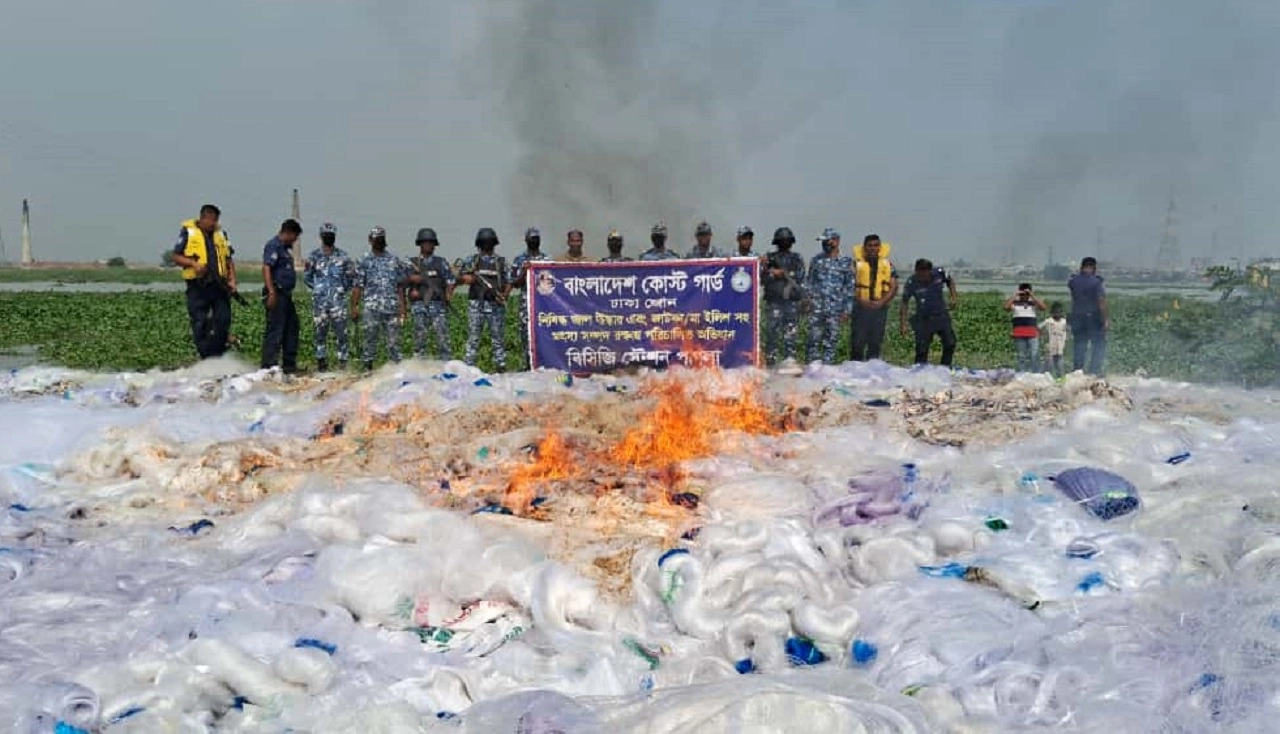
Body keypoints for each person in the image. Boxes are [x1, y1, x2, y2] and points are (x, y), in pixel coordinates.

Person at [171, 204, 238, 359]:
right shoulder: (188, 232)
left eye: (216, 220)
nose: (214, 224)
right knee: (200, 322)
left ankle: (218, 354)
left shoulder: (221, 234)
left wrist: (233, 280)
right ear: (203, 218)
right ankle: (206, 357)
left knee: (223, 320)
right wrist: (193, 264)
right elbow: (176, 256)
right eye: (212, 220)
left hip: (219, 285)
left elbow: (228, 259)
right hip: (198, 285)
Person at [352, 226, 407, 370]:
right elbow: (358, 285)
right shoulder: (363, 260)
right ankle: (367, 368)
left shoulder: (393, 260)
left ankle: (398, 370)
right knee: (370, 339)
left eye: (381, 239)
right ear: (370, 240)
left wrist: (402, 308)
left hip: (391, 307)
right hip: (372, 308)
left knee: (394, 342)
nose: (379, 242)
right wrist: (355, 306)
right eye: (376, 239)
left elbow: (400, 286)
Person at [303, 223, 355, 371]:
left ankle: (343, 362)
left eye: (331, 235)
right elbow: (307, 277)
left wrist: (340, 290)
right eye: (326, 235)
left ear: (335, 236)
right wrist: (319, 289)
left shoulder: (343, 257)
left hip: (338, 302)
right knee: (320, 332)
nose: (328, 237)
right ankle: (321, 361)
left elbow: (350, 279)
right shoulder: (313, 256)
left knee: (342, 333)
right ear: (321, 237)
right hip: (320, 302)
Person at [457, 227, 510, 370]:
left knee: (498, 339)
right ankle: (469, 368)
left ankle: (500, 367)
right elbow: (459, 277)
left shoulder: (501, 261)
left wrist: (504, 296)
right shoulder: (472, 260)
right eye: (484, 242)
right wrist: (468, 278)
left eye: (490, 242)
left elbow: (509, 282)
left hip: (495, 305)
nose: (487, 245)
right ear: (479, 244)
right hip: (476, 304)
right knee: (473, 338)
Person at [405, 228, 456, 361]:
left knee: (442, 339)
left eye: (431, 243)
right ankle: (419, 366)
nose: (428, 245)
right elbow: (402, 283)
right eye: (425, 242)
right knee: (419, 340)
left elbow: (450, 281)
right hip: (419, 305)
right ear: (420, 244)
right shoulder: (412, 263)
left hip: (438, 305)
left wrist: (449, 294)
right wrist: (412, 282)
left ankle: (446, 366)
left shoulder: (441, 262)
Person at [260, 219, 303, 373]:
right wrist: (271, 292)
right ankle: (269, 365)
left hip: (285, 295)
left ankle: (289, 364)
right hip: (276, 293)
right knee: (275, 329)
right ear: (288, 233)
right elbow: (266, 268)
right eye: (295, 236)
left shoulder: (286, 249)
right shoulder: (274, 245)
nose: (295, 240)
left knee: (291, 328)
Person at [806, 228, 853, 364]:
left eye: (828, 241)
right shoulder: (816, 260)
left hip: (835, 309)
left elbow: (849, 287)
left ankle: (826, 371)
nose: (825, 244)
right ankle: (811, 370)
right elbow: (810, 282)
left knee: (830, 341)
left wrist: (847, 310)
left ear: (836, 241)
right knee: (813, 340)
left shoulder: (846, 261)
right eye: (823, 242)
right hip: (817, 308)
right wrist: (807, 300)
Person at [900, 258, 958, 367]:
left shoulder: (939, 273)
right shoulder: (911, 282)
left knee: (950, 343)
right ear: (916, 271)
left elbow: (950, 281)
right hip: (923, 319)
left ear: (930, 271)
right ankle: (920, 371)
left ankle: (945, 368)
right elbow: (904, 303)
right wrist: (903, 324)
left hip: (941, 315)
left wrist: (954, 297)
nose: (922, 276)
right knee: (922, 349)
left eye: (925, 272)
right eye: (919, 273)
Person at [762, 227, 806, 367]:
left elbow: (800, 276)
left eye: (787, 240)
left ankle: (790, 362)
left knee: (790, 336)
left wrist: (784, 273)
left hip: (791, 303)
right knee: (771, 336)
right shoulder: (769, 258)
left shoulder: (797, 258)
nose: (784, 242)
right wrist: (770, 272)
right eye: (782, 240)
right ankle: (770, 363)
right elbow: (762, 279)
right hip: (774, 303)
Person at [851, 234, 898, 361]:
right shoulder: (856, 265)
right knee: (857, 343)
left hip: (879, 309)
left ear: (880, 247)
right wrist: (861, 300)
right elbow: (848, 286)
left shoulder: (888, 265)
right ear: (864, 247)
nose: (873, 248)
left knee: (875, 342)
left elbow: (894, 286)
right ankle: (855, 370)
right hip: (860, 309)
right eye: (870, 246)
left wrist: (882, 302)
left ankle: (872, 371)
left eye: (876, 245)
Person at [511, 227, 550, 367]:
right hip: (525, 304)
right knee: (526, 336)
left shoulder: (546, 259)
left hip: (544, 304)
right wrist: (524, 271)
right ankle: (528, 366)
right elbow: (514, 283)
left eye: (536, 238)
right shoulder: (519, 259)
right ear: (526, 240)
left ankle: (545, 365)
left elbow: (552, 282)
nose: (534, 241)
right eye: (532, 239)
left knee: (545, 336)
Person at [1068, 257, 1109, 375]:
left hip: (1077, 317)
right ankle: (1093, 373)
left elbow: (1073, 299)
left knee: (1080, 346)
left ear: (1081, 267)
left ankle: (1077, 372)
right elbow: (1101, 302)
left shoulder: (1073, 281)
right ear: (1094, 268)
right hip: (1093, 318)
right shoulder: (1097, 282)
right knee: (1098, 346)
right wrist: (1105, 320)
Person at [1004, 282, 1047, 373]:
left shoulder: (1033, 303)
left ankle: (1035, 374)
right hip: (1019, 333)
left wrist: (1032, 295)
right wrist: (1015, 295)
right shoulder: (1015, 303)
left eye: (1026, 293)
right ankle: (1021, 374)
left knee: (1034, 355)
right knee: (1021, 356)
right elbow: (1006, 307)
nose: (1024, 295)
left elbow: (1043, 307)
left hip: (1032, 333)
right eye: (1022, 293)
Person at [1040, 302, 1069, 377]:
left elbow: (1068, 330)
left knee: (1060, 363)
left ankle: (1061, 378)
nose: (1057, 314)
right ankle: (1047, 376)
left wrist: (1067, 335)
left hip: (1060, 346)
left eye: (1059, 312)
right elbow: (1039, 327)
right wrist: (1043, 335)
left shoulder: (1064, 322)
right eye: (1055, 312)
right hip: (1050, 346)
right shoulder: (1049, 321)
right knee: (1049, 363)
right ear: (1052, 313)